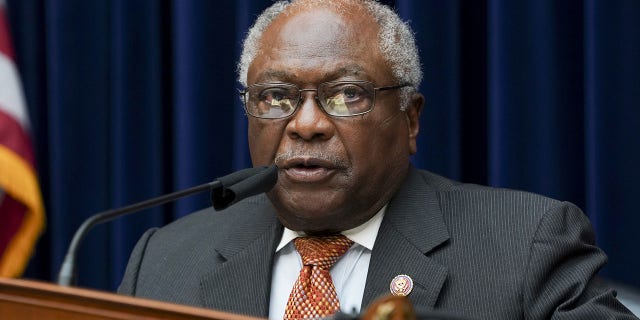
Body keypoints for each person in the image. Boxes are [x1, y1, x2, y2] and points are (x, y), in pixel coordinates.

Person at [118, 0, 638, 319]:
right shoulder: (165, 262)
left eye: (346, 95)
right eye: (275, 97)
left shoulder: (525, 245)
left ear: (410, 120)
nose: (305, 124)